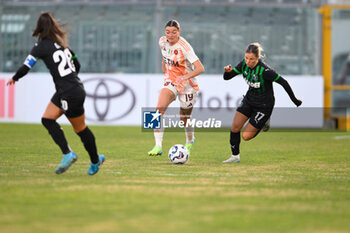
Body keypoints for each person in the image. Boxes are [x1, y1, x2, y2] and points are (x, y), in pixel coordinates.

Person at [6, 12, 105, 175]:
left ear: (39, 28)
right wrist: (70, 79)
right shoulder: (63, 45)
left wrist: (14, 78)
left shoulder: (40, 47)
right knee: (47, 119)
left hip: (68, 92)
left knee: (80, 129)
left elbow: (26, 66)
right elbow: (77, 63)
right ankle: (75, 154)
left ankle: (89, 159)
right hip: (72, 89)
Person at [222, 42, 302, 163]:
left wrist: (295, 100)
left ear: (258, 58)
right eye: (246, 58)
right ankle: (235, 157)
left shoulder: (265, 71)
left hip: (264, 106)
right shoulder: (244, 64)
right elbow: (227, 78)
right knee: (235, 127)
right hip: (249, 100)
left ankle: (264, 121)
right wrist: (227, 72)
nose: (248, 62)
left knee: (246, 136)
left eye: (252, 59)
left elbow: (283, 82)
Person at [148, 20, 205, 156]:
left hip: (188, 85)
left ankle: (190, 140)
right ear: (165, 32)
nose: (170, 35)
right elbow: (165, 56)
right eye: (168, 32)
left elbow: (201, 68)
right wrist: (166, 65)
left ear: (179, 32)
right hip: (171, 81)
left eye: (174, 32)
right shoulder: (162, 41)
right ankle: (158, 146)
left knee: (184, 118)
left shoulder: (184, 47)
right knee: (158, 110)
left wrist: (184, 78)